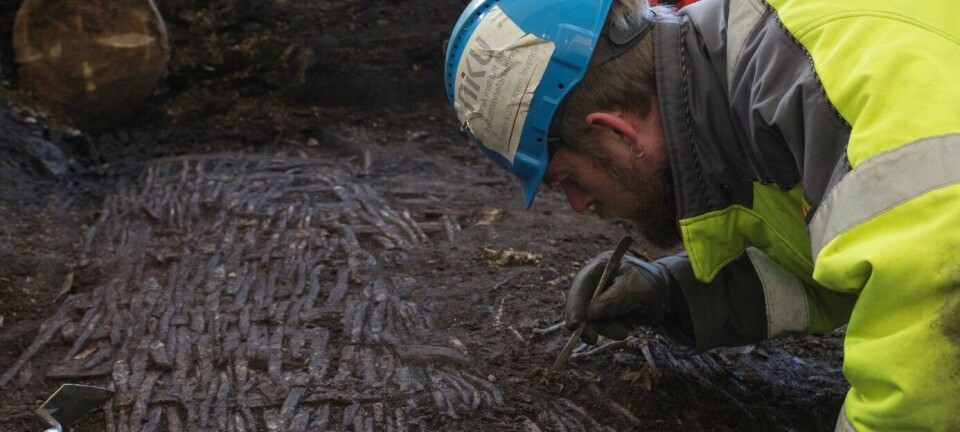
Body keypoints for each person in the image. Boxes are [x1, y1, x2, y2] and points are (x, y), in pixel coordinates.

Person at [443, 0, 960, 430]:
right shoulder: (747, 91)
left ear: (619, 132)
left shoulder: (828, 69)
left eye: (569, 180)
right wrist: (675, 295)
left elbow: (935, 311)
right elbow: (847, 263)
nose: (579, 204)